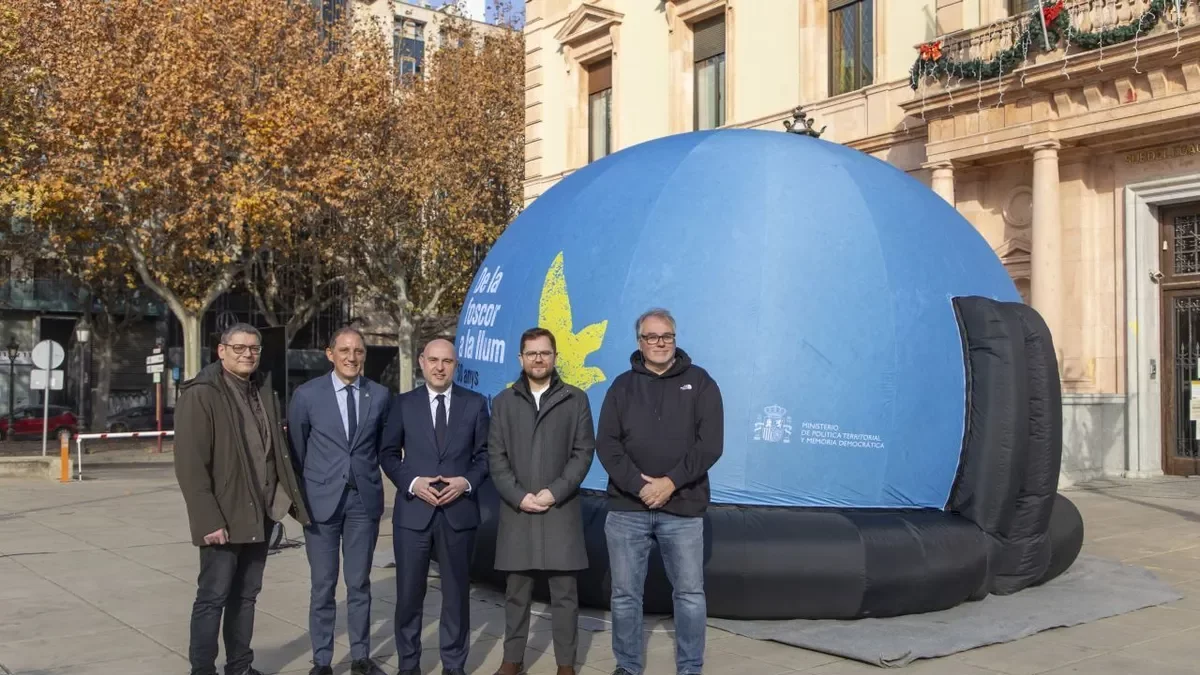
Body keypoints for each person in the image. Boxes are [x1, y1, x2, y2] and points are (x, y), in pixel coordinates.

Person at [175, 323, 310, 675]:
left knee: (246, 596)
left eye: (253, 348)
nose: (247, 354)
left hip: (260, 512)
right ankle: (202, 670)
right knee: (213, 598)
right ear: (221, 351)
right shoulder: (201, 393)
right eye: (238, 348)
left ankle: (239, 667)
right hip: (223, 516)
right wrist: (208, 520)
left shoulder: (262, 389)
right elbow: (190, 466)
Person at [595, 308, 724, 675]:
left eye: (666, 336)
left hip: (683, 507)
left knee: (689, 596)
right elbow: (607, 445)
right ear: (640, 342)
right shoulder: (621, 386)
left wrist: (669, 483)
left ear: (675, 338)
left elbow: (710, 444)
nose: (659, 343)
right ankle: (629, 666)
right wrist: (639, 486)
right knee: (624, 597)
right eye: (651, 337)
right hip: (627, 510)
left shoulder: (701, 383)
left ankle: (689, 667)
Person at [488, 328, 596, 675]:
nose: (538, 359)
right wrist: (519, 496)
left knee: (565, 595)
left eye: (545, 353)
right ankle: (512, 659)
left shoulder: (575, 399)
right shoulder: (503, 403)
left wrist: (555, 492)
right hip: (517, 510)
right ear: (521, 358)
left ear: (554, 357)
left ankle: (566, 664)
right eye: (531, 353)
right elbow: (496, 457)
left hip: (559, 510)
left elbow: (583, 453)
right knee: (516, 592)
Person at [380, 337, 490, 675]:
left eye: (447, 361)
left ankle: (454, 666)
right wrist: (413, 483)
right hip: (413, 514)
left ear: (456, 365)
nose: (440, 367)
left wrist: (465, 482)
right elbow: (387, 453)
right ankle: (409, 665)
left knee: (456, 597)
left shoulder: (474, 404)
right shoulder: (402, 404)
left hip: (458, 514)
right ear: (422, 362)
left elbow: (485, 455)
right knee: (409, 596)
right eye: (434, 360)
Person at [288, 326, 391, 675]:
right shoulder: (306, 395)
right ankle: (322, 660)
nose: (352, 357)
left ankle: (361, 656)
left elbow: (380, 447)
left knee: (359, 583)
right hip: (321, 503)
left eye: (358, 351)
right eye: (344, 350)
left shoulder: (378, 395)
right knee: (323, 585)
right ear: (329, 354)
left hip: (363, 502)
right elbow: (297, 450)